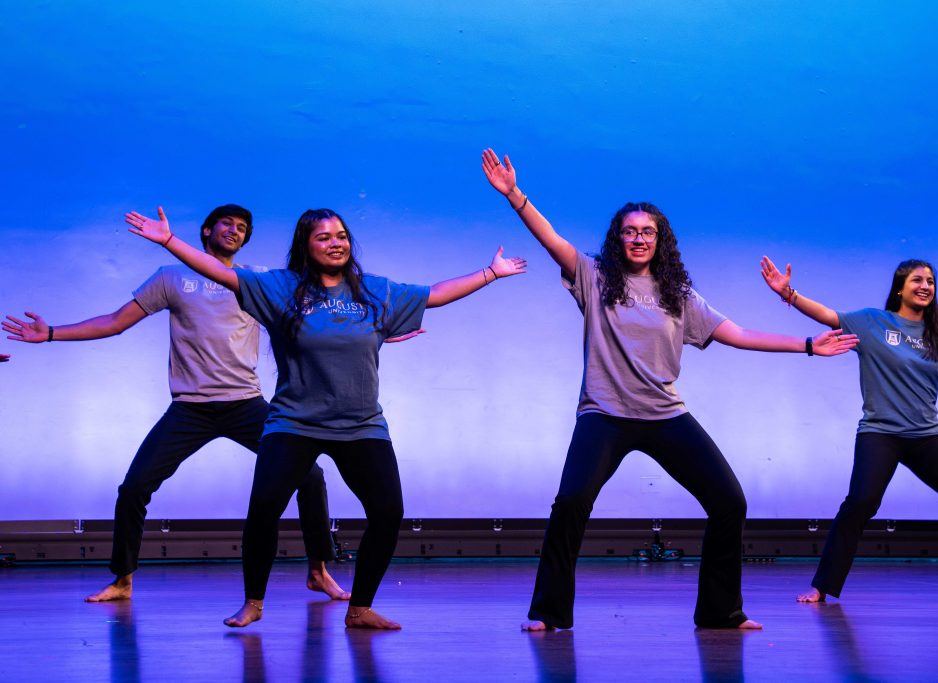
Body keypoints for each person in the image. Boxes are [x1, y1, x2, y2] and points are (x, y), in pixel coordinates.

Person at [481, 149, 858, 630]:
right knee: (571, 501)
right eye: (630, 231)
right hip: (605, 414)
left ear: (661, 241)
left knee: (729, 500)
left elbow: (738, 334)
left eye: (648, 232)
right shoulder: (594, 277)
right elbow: (550, 239)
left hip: (664, 415)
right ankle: (549, 613)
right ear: (618, 239)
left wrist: (807, 344)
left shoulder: (679, 295)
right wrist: (515, 195)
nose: (639, 238)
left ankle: (721, 611)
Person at [125, 206, 527, 629]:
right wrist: (169, 240)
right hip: (294, 423)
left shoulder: (374, 292)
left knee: (388, 512)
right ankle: (254, 603)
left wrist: (491, 272)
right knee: (264, 508)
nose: (336, 243)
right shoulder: (282, 289)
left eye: (341, 236)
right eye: (324, 237)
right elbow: (222, 273)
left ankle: (360, 608)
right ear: (306, 245)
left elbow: (435, 294)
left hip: (360, 425)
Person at [3, 205, 347, 603]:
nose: (235, 232)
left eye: (242, 228)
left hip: (246, 404)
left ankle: (319, 571)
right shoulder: (172, 277)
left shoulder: (254, 281)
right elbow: (115, 321)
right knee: (133, 488)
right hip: (190, 409)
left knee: (310, 476)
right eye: (227, 224)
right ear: (205, 231)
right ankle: (123, 580)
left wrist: (368, 332)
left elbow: (314, 317)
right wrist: (49, 334)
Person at [760, 256, 938, 604]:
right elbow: (828, 315)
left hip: (926, 435)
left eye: (930, 281)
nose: (925, 286)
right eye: (917, 280)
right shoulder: (873, 322)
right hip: (880, 433)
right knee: (861, 502)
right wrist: (788, 293)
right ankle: (822, 587)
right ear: (900, 287)